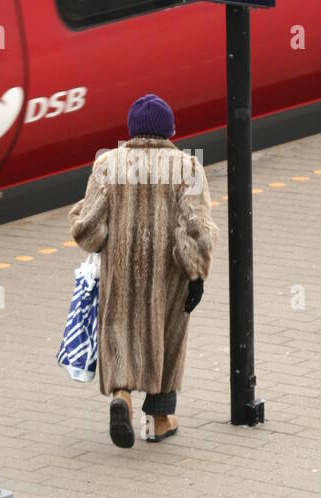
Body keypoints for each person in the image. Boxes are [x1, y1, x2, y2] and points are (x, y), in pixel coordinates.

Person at [69, 94, 218, 448]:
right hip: (169, 276)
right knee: (167, 337)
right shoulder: (187, 167)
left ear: (132, 131)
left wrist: (83, 218)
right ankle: (159, 419)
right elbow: (195, 227)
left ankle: (121, 395)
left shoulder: (108, 165)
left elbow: (90, 230)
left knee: (120, 331)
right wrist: (195, 273)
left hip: (119, 274)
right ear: (169, 130)